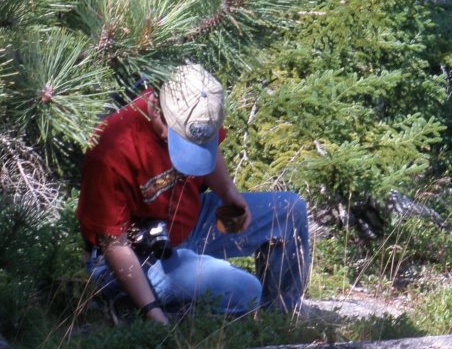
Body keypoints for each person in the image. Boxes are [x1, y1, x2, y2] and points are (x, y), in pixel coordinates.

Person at [77, 63, 310, 325]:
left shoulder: (199, 109)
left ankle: (281, 321)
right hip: (136, 254)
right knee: (246, 291)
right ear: (156, 108)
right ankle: (135, 307)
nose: (177, 144)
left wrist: (228, 193)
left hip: (190, 225)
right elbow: (113, 244)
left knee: (289, 210)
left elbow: (210, 151)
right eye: (179, 140)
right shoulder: (111, 148)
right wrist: (152, 312)